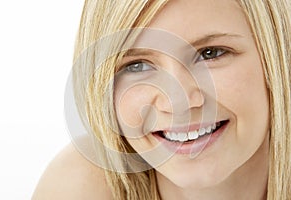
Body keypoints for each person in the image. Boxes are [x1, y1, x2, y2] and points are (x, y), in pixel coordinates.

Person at [33, 0, 291, 199]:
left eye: (210, 53)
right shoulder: (78, 186)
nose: (177, 103)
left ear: (274, 57)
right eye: (137, 66)